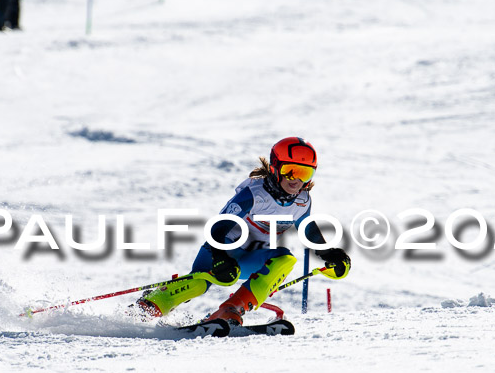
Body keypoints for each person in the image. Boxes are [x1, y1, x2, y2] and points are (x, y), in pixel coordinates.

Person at [137, 137, 351, 325]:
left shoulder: (303, 201)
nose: (296, 180)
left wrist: (330, 254)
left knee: (286, 259)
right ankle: (152, 303)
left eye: (305, 172)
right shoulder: (254, 194)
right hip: (222, 252)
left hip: (254, 258)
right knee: (202, 283)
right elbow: (218, 227)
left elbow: (309, 230)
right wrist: (220, 257)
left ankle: (231, 310)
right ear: (276, 167)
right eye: (290, 171)